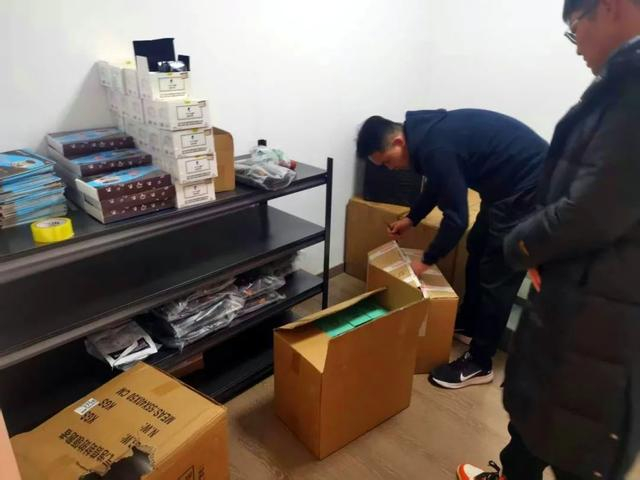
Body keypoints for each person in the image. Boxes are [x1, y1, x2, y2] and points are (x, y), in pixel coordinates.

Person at [458, 0, 640, 478]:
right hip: (583, 288)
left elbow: (591, 209)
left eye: (575, 28)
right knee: (544, 416)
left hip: (603, 307)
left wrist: (520, 246)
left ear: (611, 7)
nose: (575, 46)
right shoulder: (619, 85)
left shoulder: (633, 88)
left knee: (576, 434)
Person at [356, 109, 548, 389]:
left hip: (531, 187)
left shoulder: (434, 146)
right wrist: (412, 218)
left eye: (387, 161)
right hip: (505, 189)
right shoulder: (425, 136)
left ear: (398, 142)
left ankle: (480, 363)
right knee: (477, 244)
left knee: (498, 273)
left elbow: (457, 219)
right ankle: (470, 324)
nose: (390, 169)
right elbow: (438, 184)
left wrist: (425, 261)